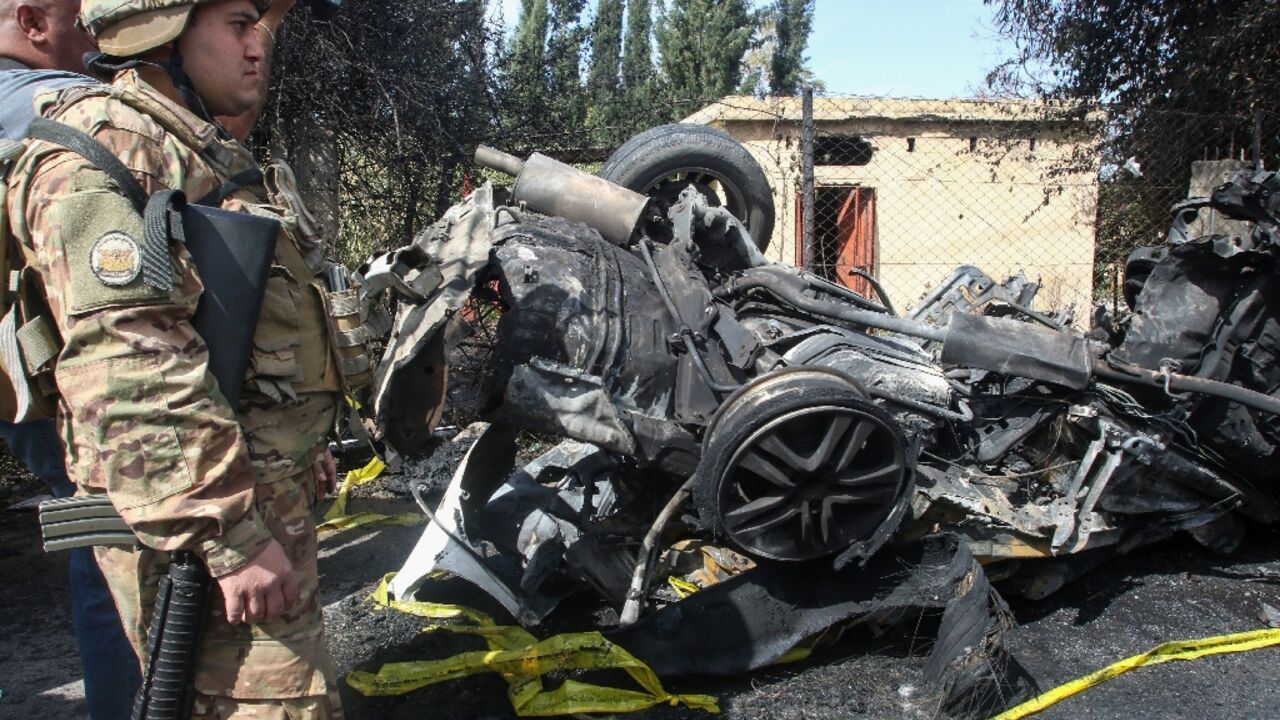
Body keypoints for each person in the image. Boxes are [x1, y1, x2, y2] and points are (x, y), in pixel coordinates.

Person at [5, 0, 345, 717]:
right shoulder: (97, 154)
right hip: (203, 542)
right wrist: (230, 538)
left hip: (251, 513)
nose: (260, 47)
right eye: (239, 23)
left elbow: (245, 341)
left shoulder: (193, 151)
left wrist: (304, 439)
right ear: (161, 30)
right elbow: (126, 371)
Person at [0, 2, 140, 718]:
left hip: (26, 382)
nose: (95, 35)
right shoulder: (51, 108)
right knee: (113, 542)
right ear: (30, 21)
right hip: (62, 377)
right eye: (80, 20)